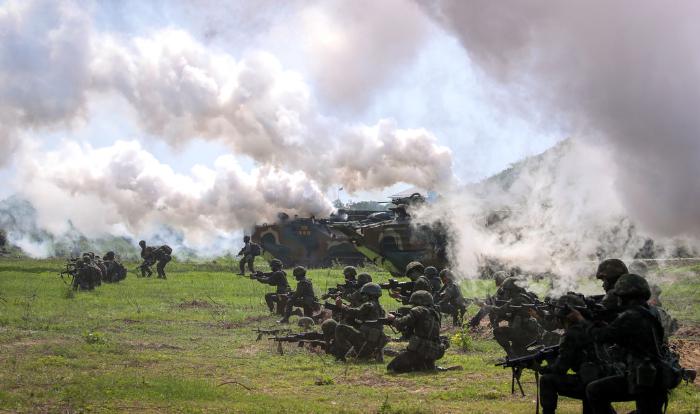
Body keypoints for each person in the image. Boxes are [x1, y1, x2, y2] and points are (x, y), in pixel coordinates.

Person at [572, 274, 670, 414]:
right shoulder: (648, 311)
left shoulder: (630, 316)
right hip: (654, 376)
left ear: (625, 295)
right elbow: (618, 333)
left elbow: (600, 336)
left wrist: (580, 319)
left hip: (644, 378)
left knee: (594, 390)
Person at [539, 294, 601, 414]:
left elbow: (560, 369)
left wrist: (539, 368)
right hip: (605, 376)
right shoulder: (591, 326)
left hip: (591, 382)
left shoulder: (572, 334)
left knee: (546, 380)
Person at [386, 290, 445, 373]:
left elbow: (401, 323)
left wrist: (393, 319)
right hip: (434, 351)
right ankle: (427, 366)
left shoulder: (417, 310)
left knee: (391, 367)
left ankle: (419, 367)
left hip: (420, 350)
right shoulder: (435, 312)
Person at [334, 283, 388, 361]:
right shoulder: (380, 309)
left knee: (340, 328)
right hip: (373, 345)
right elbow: (367, 323)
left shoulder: (368, 305)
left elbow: (357, 312)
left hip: (365, 345)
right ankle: (372, 354)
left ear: (370, 295)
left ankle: (341, 357)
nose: (363, 297)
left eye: (365, 294)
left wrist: (342, 306)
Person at [490, 277, 542, 358]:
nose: (506, 293)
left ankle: (511, 356)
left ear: (512, 290)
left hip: (523, 333)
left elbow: (500, 310)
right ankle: (526, 353)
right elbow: (512, 314)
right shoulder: (527, 296)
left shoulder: (517, 300)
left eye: (507, 290)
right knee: (520, 353)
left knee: (497, 332)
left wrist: (485, 306)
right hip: (532, 331)